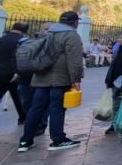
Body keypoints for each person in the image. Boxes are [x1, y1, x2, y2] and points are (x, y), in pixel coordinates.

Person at [19, 11, 85, 152]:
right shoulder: (71, 35)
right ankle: (58, 139)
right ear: (75, 22)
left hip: (41, 77)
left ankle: (25, 140)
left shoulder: (48, 32)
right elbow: (74, 60)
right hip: (60, 79)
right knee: (57, 108)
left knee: (36, 108)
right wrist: (76, 79)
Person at [0, 22, 28, 143]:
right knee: (19, 98)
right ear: (25, 31)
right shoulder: (23, 41)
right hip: (13, 74)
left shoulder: (0, 39)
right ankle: (24, 118)